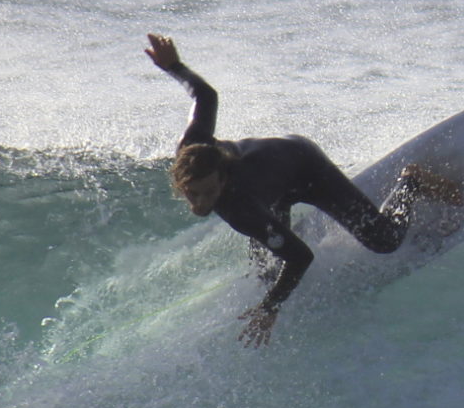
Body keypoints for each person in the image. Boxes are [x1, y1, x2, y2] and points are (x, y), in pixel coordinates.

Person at [145, 33, 448, 346]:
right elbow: (206, 96)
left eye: (209, 192)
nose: (201, 202)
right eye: (193, 194)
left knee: (385, 241)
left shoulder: (242, 209)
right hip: (271, 186)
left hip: (305, 168)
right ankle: (283, 235)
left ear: (222, 178)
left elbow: (302, 257)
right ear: (181, 183)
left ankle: (412, 182)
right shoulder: (191, 148)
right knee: (266, 272)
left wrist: (270, 307)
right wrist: (174, 67)